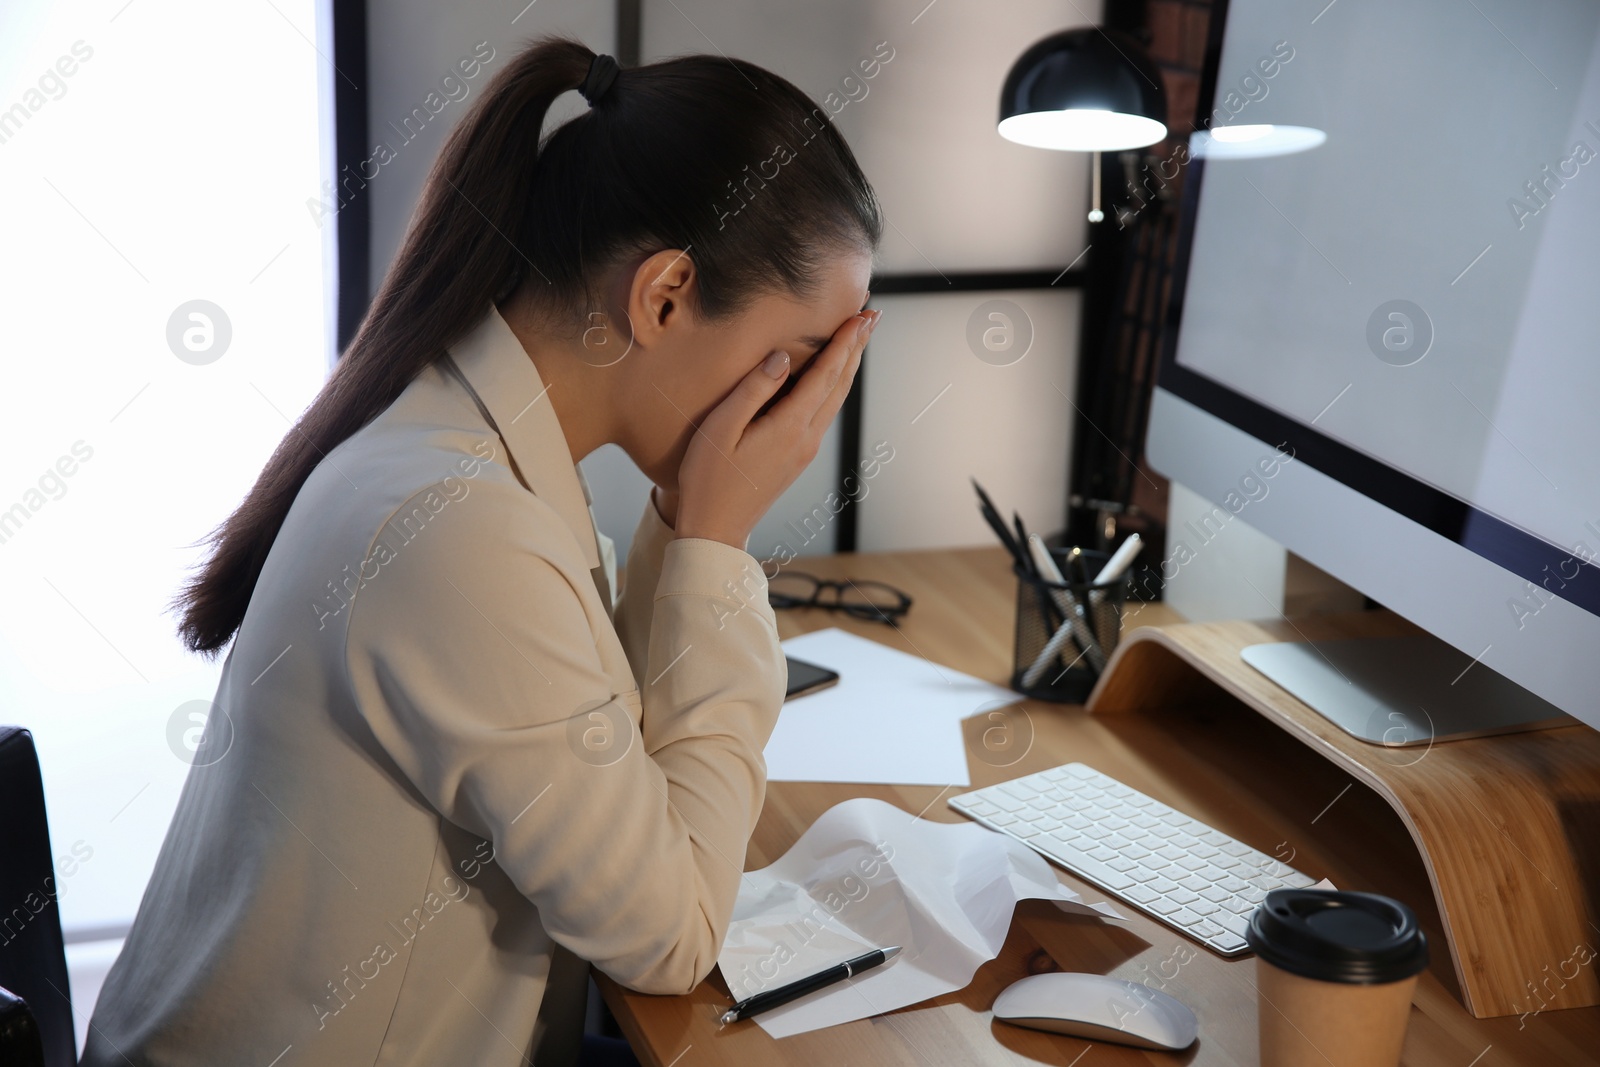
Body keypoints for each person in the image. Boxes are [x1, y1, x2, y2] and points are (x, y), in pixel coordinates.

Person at [80, 33, 883, 1067]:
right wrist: (717, 538)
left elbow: (618, 750)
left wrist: (690, 521)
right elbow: (669, 934)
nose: (806, 412)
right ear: (665, 296)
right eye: (806, 360)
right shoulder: (460, 528)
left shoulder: (456, 434)